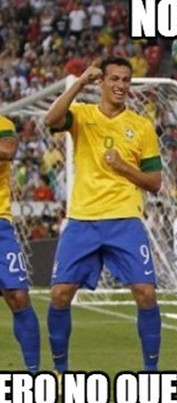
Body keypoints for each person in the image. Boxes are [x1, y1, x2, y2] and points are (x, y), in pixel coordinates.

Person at [43, 57, 163, 372]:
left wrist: (124, 167)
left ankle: (151, 372)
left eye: (126, 80)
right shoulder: (82, 115)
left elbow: (155, 183)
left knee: (146, 293)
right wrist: (79, 83)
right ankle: (61, 371)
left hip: (124, 219)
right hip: (82, 219)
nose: (121, 85)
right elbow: (50, 119)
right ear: (102, 82)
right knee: (60, 294)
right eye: (114, 79)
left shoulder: (142, 126)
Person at [0, 115, 41, 373]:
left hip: (0, 225)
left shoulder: (3, 124)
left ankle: (34, 373)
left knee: (18, 296)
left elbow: (8, 150)